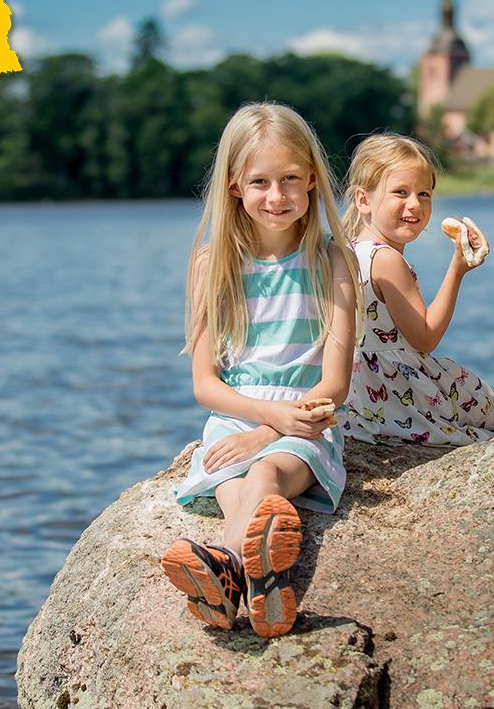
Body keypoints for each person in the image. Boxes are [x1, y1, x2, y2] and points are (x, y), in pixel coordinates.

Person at [163, 102, 357, 639]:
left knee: (266, 476)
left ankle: (227, 571)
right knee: (238, 487)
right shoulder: (211, 264)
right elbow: (205, 385)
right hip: (233, 419)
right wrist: (255, 424)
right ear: (234, 186)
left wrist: (272, 429)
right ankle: (259, 582)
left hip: (306, 420)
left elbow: (335, 384)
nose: (277, 196)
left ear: (312, 178)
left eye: (290, 178)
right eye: (260, 182)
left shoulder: (332, 261)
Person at [338, 134, 494, 447]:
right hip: (394, 389)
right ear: (363, 200)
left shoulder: (345, 250)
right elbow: (424, 339)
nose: (415, 204)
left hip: (356, 393)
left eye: (424, 193)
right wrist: (457, 269)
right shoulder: (386, 259)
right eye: (400, 192)